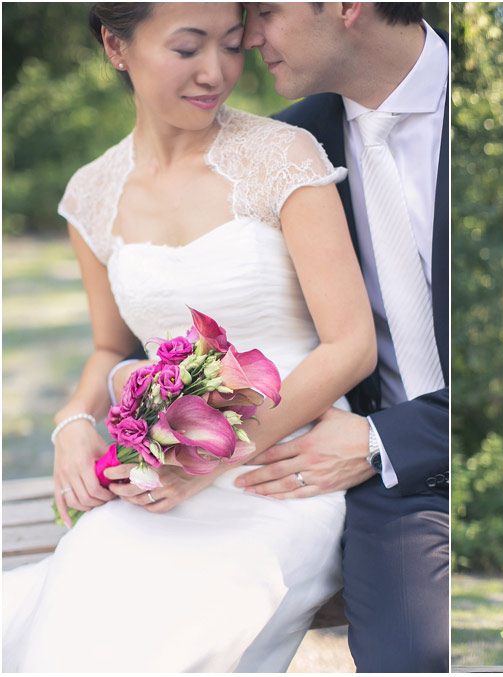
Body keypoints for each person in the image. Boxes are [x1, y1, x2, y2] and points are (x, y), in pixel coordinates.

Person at [2, 3, 377, 672]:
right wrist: (71, 420)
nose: (216, 72)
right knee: (74, 614)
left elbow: (350, 345)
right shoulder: (92, 193)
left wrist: (214, 456)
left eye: (233, 46)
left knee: (173, 640)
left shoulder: (282, 157)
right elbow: (112, 349)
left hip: (282, 474)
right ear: (116, 46)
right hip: (155, 486)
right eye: (187, 49)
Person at [233, 3, 449, 672]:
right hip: (391, 488)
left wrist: (385, 437)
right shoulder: (281, 150)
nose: (246, 37)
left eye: (263, 11)